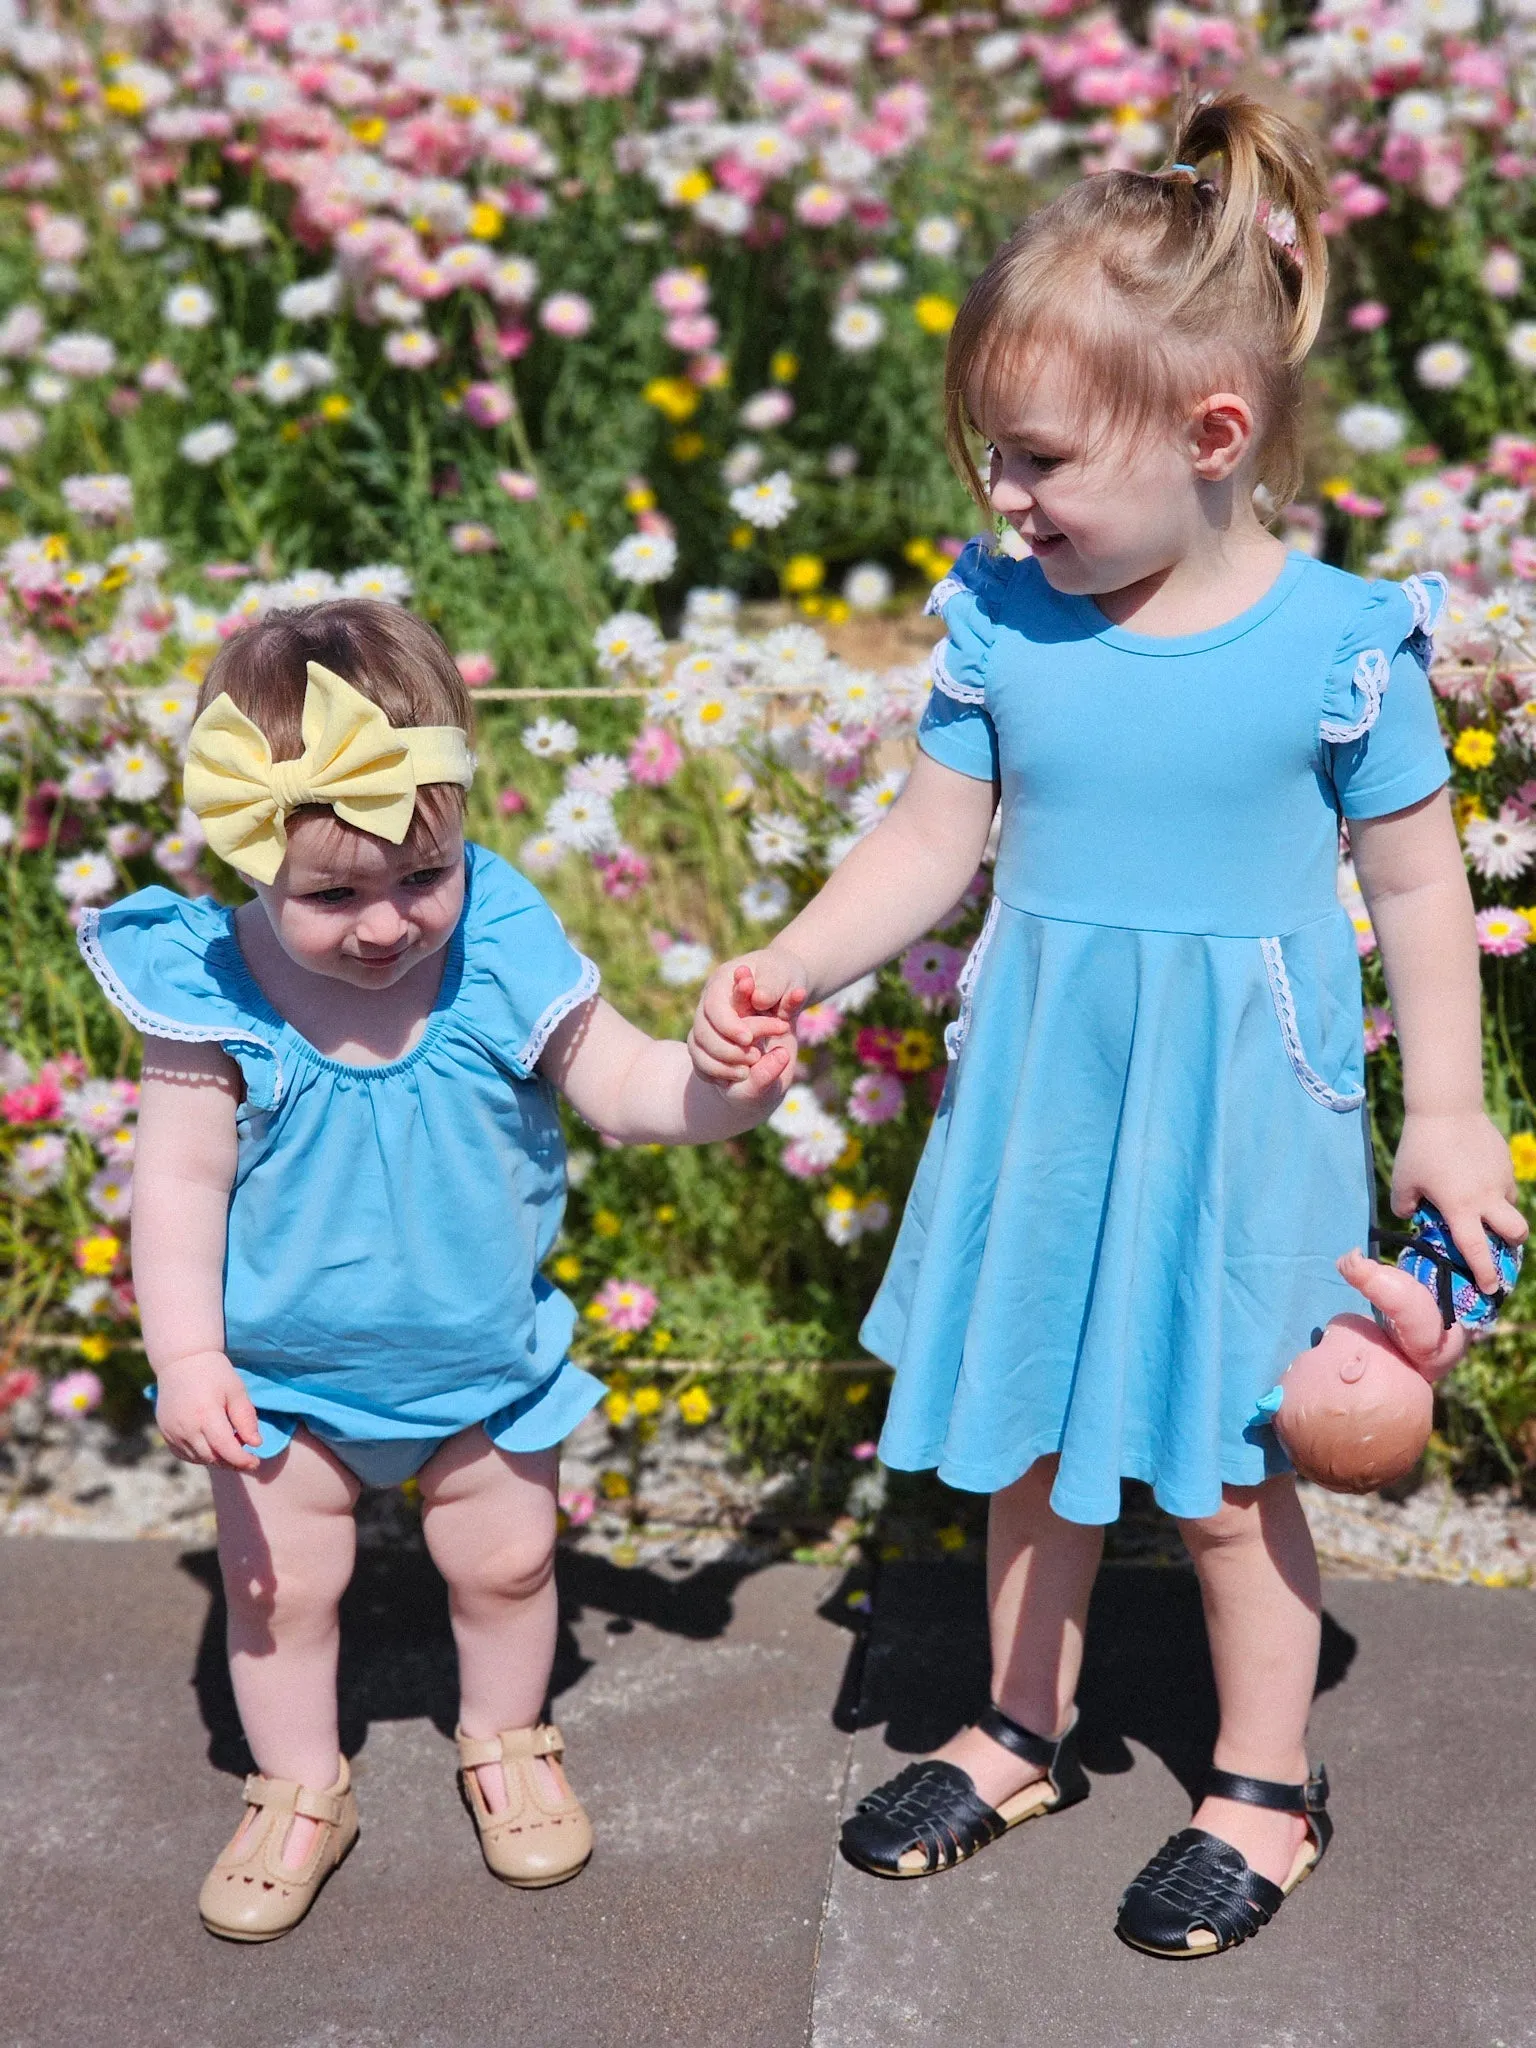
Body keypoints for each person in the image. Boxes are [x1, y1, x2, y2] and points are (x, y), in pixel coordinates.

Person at [688, 91, 1526, 1958]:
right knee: (1034, 1436)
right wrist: (794, 963)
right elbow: (932, 839)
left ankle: (1264, 1783)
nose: (1005, 498)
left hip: (1246, 1108)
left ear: (1211, 434)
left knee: (1233, 1470)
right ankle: (1017, 1731)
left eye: (1040, 461)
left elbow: (1416, 896)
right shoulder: (1002, 621)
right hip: (1052, 1091)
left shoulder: (1339, 648)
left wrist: (1450, 1117)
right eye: (995, 458)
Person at [80, 599, 790, 1942]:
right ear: (254, 861)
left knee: (510, 1565)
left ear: (461, 822)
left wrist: (722, 1088)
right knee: (274, 1592)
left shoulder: (499, 945)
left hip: (481, 1367)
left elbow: (627, 1087)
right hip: (284, 1382)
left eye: (423, 877)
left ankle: (506, 1735)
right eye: (331, 895)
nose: (387, 924)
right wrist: (187, 1356)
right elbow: (174, 1186)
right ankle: (297, 1781)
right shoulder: (209, 992)